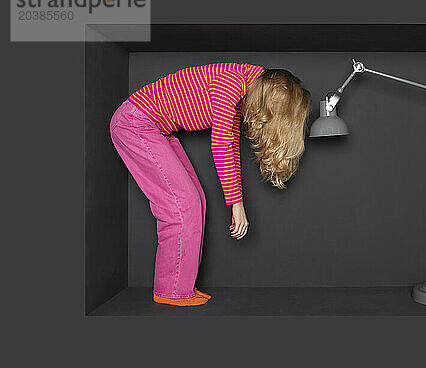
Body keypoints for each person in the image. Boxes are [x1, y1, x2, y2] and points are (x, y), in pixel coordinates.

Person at [109, 63, 312, 306]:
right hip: (134, 123)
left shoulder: (241, 92)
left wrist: (236, 202)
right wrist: (237, 205)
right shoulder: (230, 83)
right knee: (183, 204)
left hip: (155, 129)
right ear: (271, 94)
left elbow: (231, 146)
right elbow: (221, 145)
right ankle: (171, 291)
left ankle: (181, 286)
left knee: (196, 201)